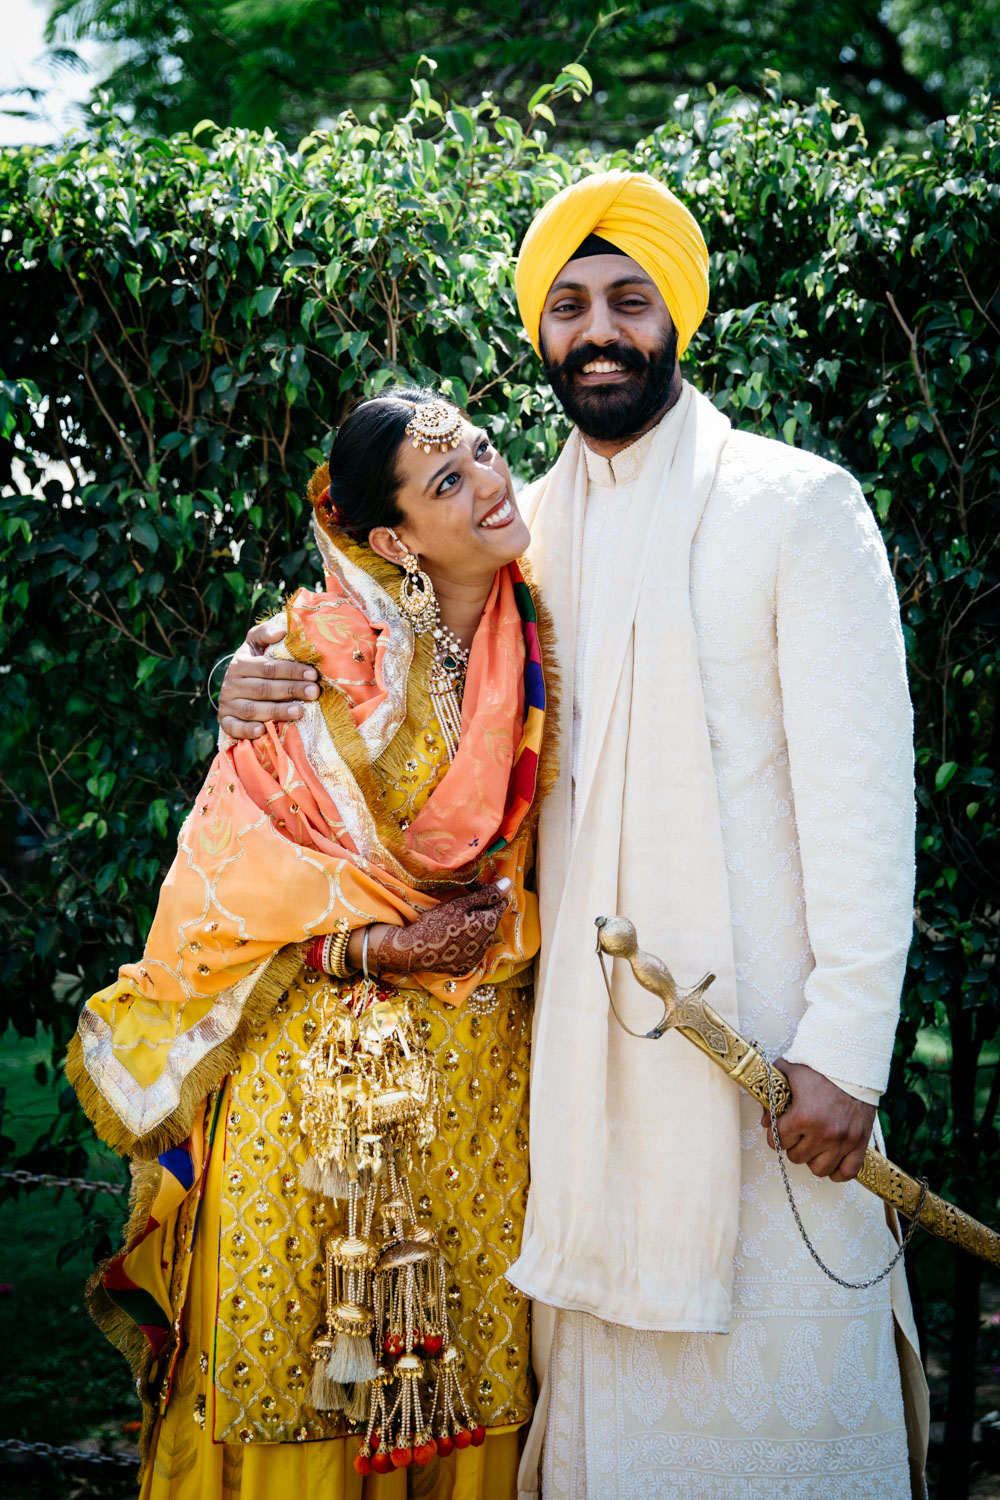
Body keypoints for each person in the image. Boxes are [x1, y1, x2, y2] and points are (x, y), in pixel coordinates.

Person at [218, 172, 929, 1498]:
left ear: (677, 319)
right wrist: (245, 675)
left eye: (628, 300)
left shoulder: (796, 506)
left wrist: (846, 1047)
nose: (598, 330)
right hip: (586, 1079)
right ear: (541, 337)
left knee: (791, 1426)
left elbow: (864, 799)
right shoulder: (517, 537)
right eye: (568, 307)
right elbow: (364, 651)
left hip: (769, 1072)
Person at [68, 388, 557, 1499]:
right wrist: (369, 950)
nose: (490, 481)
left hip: (481, 1103)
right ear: (391, 540)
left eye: (482, 451)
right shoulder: (307, 658)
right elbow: (229, 891)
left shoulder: (550, 616)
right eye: (448, 481)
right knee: (300, 1387)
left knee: (476, 1382)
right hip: (308, 1115)